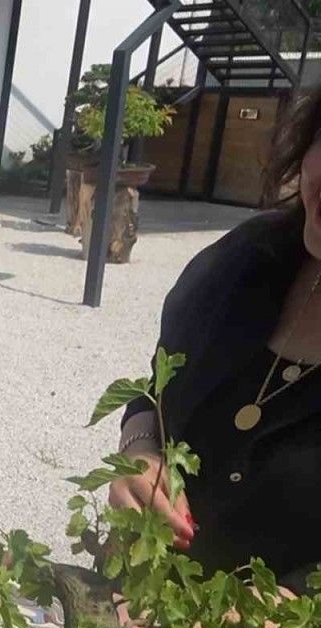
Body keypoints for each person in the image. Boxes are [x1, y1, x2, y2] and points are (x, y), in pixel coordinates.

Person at [110, 84, 321, 598]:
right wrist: (141, 453)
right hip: (131, 609)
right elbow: (157, 393)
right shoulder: (244, 262)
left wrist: (250, 621)